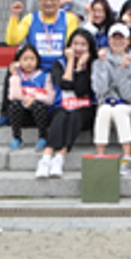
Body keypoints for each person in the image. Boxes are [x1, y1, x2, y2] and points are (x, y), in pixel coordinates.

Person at [0, 0, 80, 128]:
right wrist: (15, 16)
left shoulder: (69, 18)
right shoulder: (30, 18)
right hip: (35, 64)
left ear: (59, 0)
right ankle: (5, 113)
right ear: (39, 1)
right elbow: (12, 40)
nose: (49, 3)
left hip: (58, 64)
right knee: (13, 69)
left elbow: (71, 43)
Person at [35, 29, 97, 179]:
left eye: (83, 44)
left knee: (74, 116)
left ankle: (60, 156)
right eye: (75, 43)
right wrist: (70, 62)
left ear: (89, 47)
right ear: (69, 45)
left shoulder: (93, 64)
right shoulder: (59, 64)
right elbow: (65, 85)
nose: (79, 48)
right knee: (61, 116)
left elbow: (81, 91)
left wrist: (80, 67)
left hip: (85, 108)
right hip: (63, 105)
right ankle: (46, 158)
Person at [91, 24, 131, 175]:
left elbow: (127, 94)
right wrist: (102, 66)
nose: (118, 42)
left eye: (122, 38)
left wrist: (122, 70)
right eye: (114, 38)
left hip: (129, 105)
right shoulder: (98, 62)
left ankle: (127, 157)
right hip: (107, 103)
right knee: (103, 110)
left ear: (128, 41)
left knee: (120, 110)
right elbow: (100, 90)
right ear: (109, 40)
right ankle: (100, 155)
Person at [5, 44, 55, 151]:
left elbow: (50, 99)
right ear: (18, 61)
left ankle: (43, 137)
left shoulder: (45, 76)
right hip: (22, 114)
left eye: (32, 59)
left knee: (38, 105)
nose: (29, 63)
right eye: (25, 59)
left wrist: (34, 98)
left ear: (37, 60)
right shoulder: (16, 77)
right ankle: (17, 138)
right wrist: (14, 75)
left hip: (40, 113)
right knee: (14, 105)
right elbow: (12, 96)